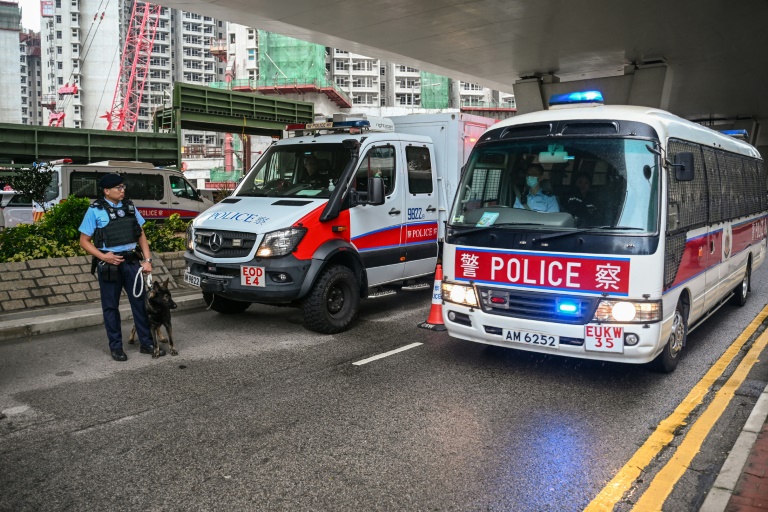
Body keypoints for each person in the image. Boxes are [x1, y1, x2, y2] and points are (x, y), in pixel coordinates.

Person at [78, 173, 163, 361]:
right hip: (110, 265)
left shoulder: (130, 207)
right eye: (118, 188)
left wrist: (147, 260)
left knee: (140, 304)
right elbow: (84, 241)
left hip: (132, 262)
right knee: (110, 307)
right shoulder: (95, 210)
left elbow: (140, 235)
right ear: (106, 191)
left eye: (123, 187)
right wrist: (103, 256)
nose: (122, 190)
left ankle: (147, 343)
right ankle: (116, 347)